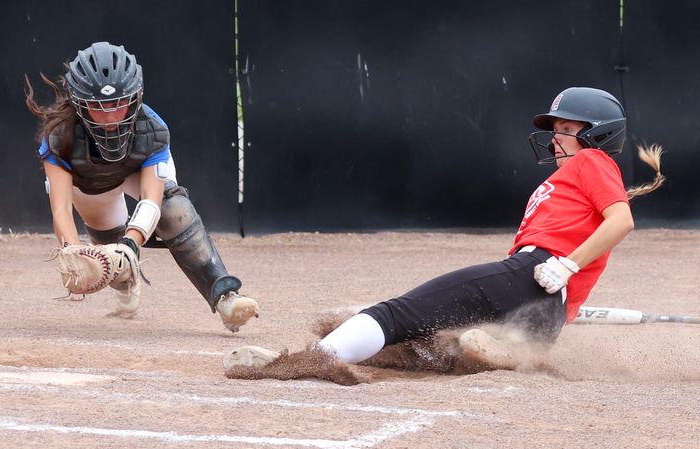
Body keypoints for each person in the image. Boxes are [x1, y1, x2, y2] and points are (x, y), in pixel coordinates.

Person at [223, 87, 664, 378]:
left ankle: (307, 360)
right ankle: (509, 349)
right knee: (432, 346)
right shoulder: (575, 176)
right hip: (546, 313)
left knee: (398, 314)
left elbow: (621, 221)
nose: (555, 139)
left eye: (568, 130)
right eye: (556, 131)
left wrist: (566, 264)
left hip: (535, 276)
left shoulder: (591, 162)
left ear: (599, 136)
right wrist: (565, 273)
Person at [25, 41, 259, 333]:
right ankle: (124, 281)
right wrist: (74, 254)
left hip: (135, 170)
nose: (110, 117)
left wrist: (131, 244)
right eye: (99, 108)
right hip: (89, 184)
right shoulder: (59, 137)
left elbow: (151, 199)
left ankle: (224, 295)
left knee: (174, 210)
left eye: (119, 104)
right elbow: (61, 209)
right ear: (78, 103)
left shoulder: (153, 130)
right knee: (107, 245)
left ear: (135, 98)